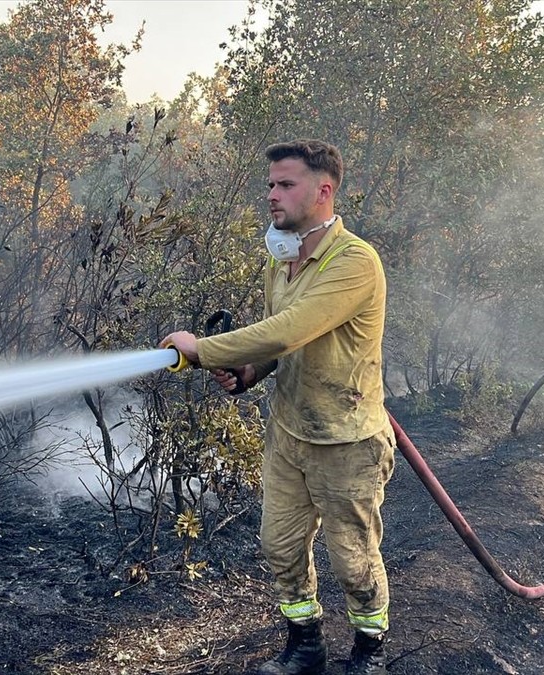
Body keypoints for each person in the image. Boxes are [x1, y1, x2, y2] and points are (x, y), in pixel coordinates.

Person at [160, 139, 395, 675]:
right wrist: (247, 372)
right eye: (270, 184)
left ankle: (368, 652)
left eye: (285, 184)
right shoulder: (282, 257)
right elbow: (279, 345)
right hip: (290, 431)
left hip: (347, 440)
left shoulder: (355, 261)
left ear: (323, 190)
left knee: (353, 559)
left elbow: (292, 327)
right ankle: (305, 644)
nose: (272, 194)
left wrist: (202, 350)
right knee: (280, 546)